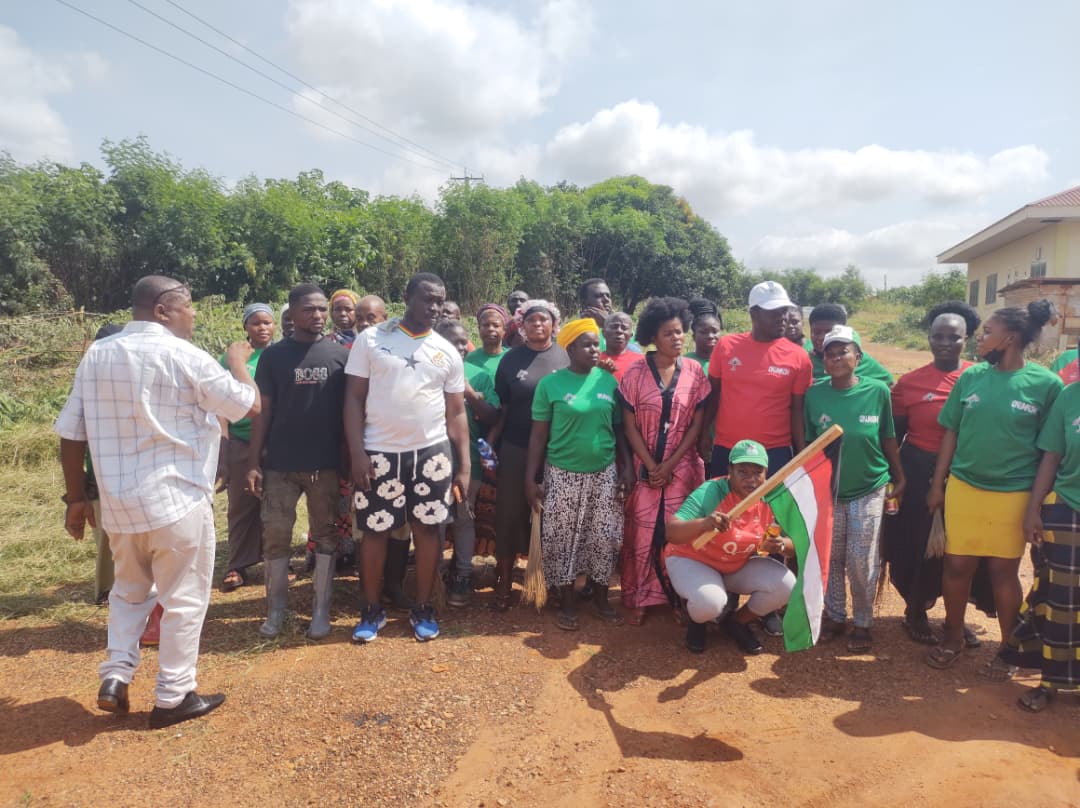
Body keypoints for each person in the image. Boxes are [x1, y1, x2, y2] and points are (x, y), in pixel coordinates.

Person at [55, 275, 259, 728]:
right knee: (183, 599)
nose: (193, 316)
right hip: (177, 501)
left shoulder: (97, 355)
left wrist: (75, 499)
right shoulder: (184, 355)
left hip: (120, 507)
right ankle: (173, 695)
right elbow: (247, 407)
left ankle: (115, 674)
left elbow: (71, 433)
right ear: (163, 310)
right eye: (188, 307)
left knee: (128, 592)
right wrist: (238, 361)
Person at [926, 300, 1063, 675]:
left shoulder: (1046, 385)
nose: (980, 338)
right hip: (965, 489)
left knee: (1003, 573)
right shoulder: (970, 378)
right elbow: (951, 432)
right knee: (956, 566)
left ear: (1011, 337)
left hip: (1013, 494)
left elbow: (1050, 449)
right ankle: (952, 637)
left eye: (987, 332)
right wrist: (938, 484)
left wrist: (1035, 506)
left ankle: (1008, 649)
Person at [345, 272, 471, 643]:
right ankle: (371, 609)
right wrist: (356, 452)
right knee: (375, 532)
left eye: (440, 300)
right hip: (379, 453)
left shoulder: (446, 350)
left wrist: (463, 466)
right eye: (426, 299)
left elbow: (457, 412)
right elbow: (353, 399)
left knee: (428, 531)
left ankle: (422, 608)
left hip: (431, 455)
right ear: (407, 297)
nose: (434, 307)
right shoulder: (371, 339)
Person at [247, 284, 349, 640]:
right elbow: (263, 411)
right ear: (290, 314)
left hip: (325, 463)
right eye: (310, 310)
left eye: (322, 309)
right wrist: (253, 461)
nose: (318, 315)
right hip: (280, 464)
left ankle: (321, 609)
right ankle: (276, 609)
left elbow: (349, 413)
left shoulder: (340, 355)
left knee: (325, 535)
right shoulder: (274, 357)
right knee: (275, 535)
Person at [526, 318, 633, 630]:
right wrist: (530, 479)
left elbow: (619, 429)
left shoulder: (608, 382)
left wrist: (625, 467)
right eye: (586, 344)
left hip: (604, 474)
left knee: (603, 538)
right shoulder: (551, 384)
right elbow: (538, 436)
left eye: (596, 344)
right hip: (562, 474)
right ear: (570, 348)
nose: (594, 349)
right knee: (561, 539)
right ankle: (567, 603)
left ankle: (601, 600)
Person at [804, 325, 905, 652]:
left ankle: (863, 620)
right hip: (829, 490)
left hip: (868, 485)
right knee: (832, 556)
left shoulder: (878, 392)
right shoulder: (814, 394)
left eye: (843, 351)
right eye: (830, 353)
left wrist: (898, 475)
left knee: (861, 558)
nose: (835, 358)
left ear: (858, 357)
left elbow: (887, 436)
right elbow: (807, 444)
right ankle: (835, 615)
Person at [884, 302, 979, 645]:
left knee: (961, 551)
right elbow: (893, 436)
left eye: (953, 337)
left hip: (966, 474)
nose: (944, 343)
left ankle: (955, 619)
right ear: (928, 338)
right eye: (937, 336)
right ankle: (915, 610)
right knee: (915, 545)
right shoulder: (909, 384)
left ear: (966, 339)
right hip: (919, 469)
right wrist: (899, 477)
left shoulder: (980, 378)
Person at [619, 298, 709, 625]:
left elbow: (696, 424)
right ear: (653, 336)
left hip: (682, 468)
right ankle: (640, 597)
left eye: (680, 332)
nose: (677, 338)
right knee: (642, 534)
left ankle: (678, 597)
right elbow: (628, 424)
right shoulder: (635, 372)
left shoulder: (696, 372)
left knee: (679, 533)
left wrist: (669, 465)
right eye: (669, 333)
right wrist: (650, 464)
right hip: (644, 468)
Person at [1000, 351, 1080, 712]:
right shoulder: (1069, 396)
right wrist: (1034, 508)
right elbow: (1051, 455)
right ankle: (1050, 683)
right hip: (1067, 510)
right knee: (1058, 602)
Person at [665, 439, 797, 654]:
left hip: (734, 564)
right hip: (693, 559)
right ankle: (697, 621)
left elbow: (794, 545)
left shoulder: (771, 498)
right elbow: (672, 532)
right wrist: (704, 523)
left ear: (766, 473)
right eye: (742, 471)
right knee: (711, 602)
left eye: (758, 472)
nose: (751, 479)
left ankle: (736, 622)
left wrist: (781, 545)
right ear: (729, 471)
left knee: (786, 585)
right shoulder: (712, 491)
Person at [489, 300, 568, 610]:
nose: (538, 325)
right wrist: (492, 443)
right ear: (521, 326)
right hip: (516, 448)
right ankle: (505, 584)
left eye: (543, 320)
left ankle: (552, 583)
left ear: (554, 324)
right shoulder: (510, 361)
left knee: (554, 517)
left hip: (558, 451)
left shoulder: (565, 356)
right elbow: (504, 408)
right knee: (509, 516)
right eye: (531, 320)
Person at [700, 280, 812, 477]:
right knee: (724, 507)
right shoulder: (726, 346)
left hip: (774, 452)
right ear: (754, 314)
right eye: (774, 312)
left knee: (768, 508)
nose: (782, 318)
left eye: (784, 311)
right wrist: (703, 435)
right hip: (728, 448)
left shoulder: (799, 357)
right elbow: (714, 394)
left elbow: (797, 409)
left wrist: (801, 451)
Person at [435, 318, 499, 607]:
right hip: (430, 460)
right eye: (453, 341)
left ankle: (462, 573)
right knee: (432, 521)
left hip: (466, 460)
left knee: (463, 517)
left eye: (463, 341)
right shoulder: (426, 372)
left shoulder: (480, 374)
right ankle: (431, 573)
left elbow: (492, 416)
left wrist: (470, 392)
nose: (460, 347)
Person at [219, 303, 275, 592]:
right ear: (246, 328)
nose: (262, 328)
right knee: (241, 503)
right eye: (256, 323)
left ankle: (276, 561)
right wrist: (224, 447)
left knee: (275, 503)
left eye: (267, 322)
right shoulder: (232, 358)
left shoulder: (281, 355)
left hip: (276, 440)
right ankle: (237, 564)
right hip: (241, 438)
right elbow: (220, 406)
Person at [806, 304, 893, 386]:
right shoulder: (804, 361)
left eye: (829, 332)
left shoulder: (860, 360)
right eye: (816, 332)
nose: (822, 337)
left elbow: (889, 384)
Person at [466, 304, 509, 378]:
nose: (490, 329)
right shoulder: (469, 359)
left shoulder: (511, 358)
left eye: (496, 325)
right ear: (479, 329)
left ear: (504, 330)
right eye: (486, 325)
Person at [598, 312, 644, 382]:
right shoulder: (594, 361)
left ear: (631, 335)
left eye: (624, 328)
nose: (619, 331)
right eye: (614, 327)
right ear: (603, 332)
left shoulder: (642, 362)